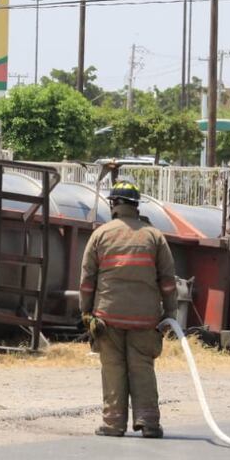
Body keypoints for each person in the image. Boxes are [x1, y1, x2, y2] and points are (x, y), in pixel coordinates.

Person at [79, 181, 177, 439]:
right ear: (135, 206)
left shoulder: (101, 235)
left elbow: (87, 280)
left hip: (107, 317)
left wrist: (86, 312)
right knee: (142, 367)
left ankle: (113, 424)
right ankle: (148, 422)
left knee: (113, 368)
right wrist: (170, 315)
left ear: (113, 205)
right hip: (145, 319)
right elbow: (168, 281)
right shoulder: (154, 236)